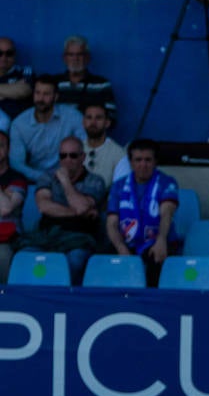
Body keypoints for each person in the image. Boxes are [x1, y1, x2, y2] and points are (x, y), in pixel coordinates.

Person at [29, 135, 109, 281]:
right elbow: (43, 206)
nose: (67, 160)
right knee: (25, 258)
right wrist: (78, 213)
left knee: (74, 262)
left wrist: (65, 181)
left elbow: (82, 206)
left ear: (83, 157)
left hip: (79, 237)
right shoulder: (47, 177)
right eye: (63, 156)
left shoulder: (95, 181)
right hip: (47, 234)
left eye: (73, 156)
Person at [105, 139, 181, 287]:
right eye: (138, 160)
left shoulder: (167, 182)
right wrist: (121, 248)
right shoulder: (119, 186)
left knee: (157, 259)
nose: (143, 165)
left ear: (155, 162)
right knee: (104, 260)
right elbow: (111, 223)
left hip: (155, 242)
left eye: (148, 160)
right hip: (127, 243)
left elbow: (166, 214)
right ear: (131, 162)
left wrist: (161, 240)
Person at [9, 75, 85, 183]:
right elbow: (17, 163)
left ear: (56, 97)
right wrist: (43, 177)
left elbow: (86, 148)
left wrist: (70, 175)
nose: (40, 99)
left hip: (70, 178)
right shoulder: (19, 124)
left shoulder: (72, 116)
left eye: (46, 94)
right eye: (37, 93)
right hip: (34, 181)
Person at [54, 35, 116, 126]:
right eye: (71, 55)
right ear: (64, 58)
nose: (75, 59)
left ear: (87, 58)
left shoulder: (101, 85)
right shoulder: (54, 83)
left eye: (80, 54)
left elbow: (111, 117)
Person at [0, 130, 31, 282]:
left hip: (7, 239)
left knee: (2, 255)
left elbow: (6, 208)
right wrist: (4, 193)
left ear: (8, 149)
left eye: (0, 146)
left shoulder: (17, 178)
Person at [81, 102, 125, 188]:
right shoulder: (75, 149)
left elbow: (120, 189)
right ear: (83, 122)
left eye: (98, 118)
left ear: (107, 123)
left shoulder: (119, 154)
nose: (93, 122)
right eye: (89, 117)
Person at [0, 36, 34, 122]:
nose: (4, 58)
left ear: (14, 55)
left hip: (18, 125)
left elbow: (23, 90)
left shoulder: (24, 72)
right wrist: (11, 89)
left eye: (9, 53)